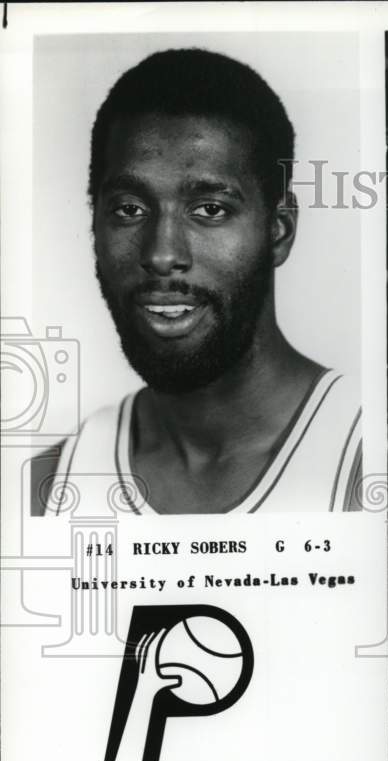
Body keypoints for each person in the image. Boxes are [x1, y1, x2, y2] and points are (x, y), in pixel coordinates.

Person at [30, 49, 362, 516]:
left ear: (279, 230)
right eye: (129, 209)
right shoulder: (47, 490)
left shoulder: (368, 460)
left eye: (210, 210)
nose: (162, 254)